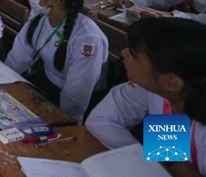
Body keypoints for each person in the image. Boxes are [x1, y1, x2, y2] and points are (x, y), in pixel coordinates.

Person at [85, 18, 206, 176]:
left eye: (134, 54)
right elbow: (101, 119)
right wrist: (155, 164)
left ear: (171, 81)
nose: (124, 53)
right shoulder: (164, 93)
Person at [5, 0, 108, 123]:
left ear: (55, 0)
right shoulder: (40, 19)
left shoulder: (87, 38)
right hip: (49, 83)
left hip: (81, 104)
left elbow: (76, 96)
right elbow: (16, 60)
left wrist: (63, 123)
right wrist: (2, 87)